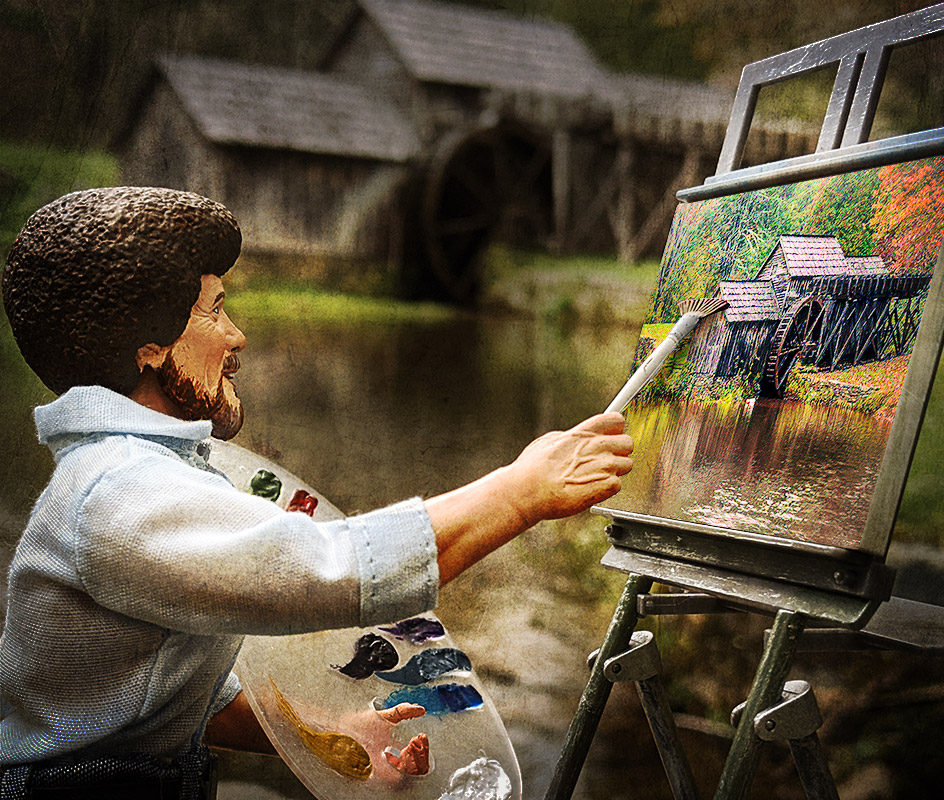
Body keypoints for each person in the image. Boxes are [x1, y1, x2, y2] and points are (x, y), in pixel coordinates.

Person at [0, 187, 633, 798]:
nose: (235, 335)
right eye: (215, 308)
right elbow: (327, 570)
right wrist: (520, 493)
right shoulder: (119, 492)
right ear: (149, 348)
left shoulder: (138, 473)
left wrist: (323, 736)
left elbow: (154, 703)